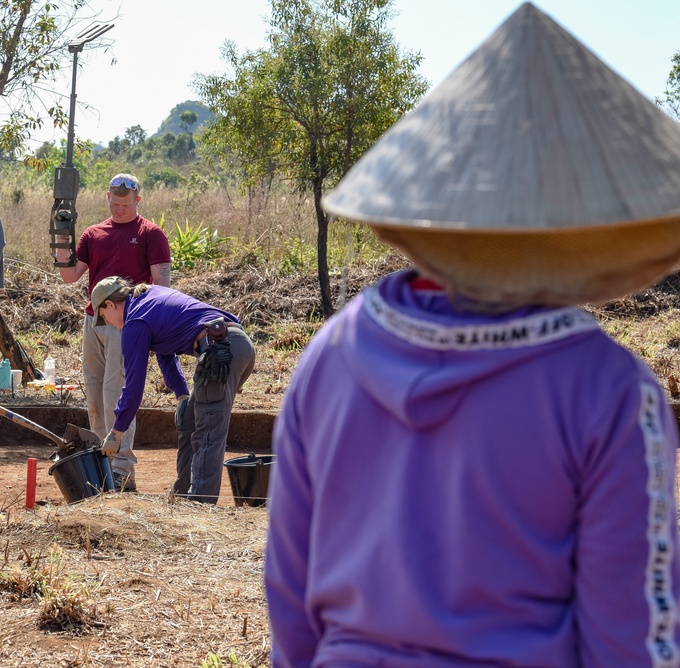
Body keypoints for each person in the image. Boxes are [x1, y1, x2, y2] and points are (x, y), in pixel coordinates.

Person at [265, 5, 680, 667]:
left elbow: (289, 596)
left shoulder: (330, 355)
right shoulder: (610, 393)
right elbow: (629, 637)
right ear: (590, 219)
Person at [91, 276, 255, 503]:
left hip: (221, 352)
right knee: (190, 420)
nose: (107, 322)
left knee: (208, 431)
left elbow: (133, 387)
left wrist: (117, 431)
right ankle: (182, 495)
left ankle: (199, 504)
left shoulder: (135, 321)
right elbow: (165, 353)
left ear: (110, 304)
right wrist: (182, 395)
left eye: (103, 317)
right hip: (233, 346)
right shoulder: (148, 299)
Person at [55, 174, 172, 492]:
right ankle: (101, 462)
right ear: (107, 197)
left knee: (115, 397)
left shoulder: (151, 233)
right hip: (94, 321)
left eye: (126, 204)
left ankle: (122, 469)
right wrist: (62, 238)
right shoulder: (93, 234)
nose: (120, 209)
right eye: (115, 203)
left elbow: (162, 285)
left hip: (129, 323)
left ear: (138, 200)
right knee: (94, 396)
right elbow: (70, 276)